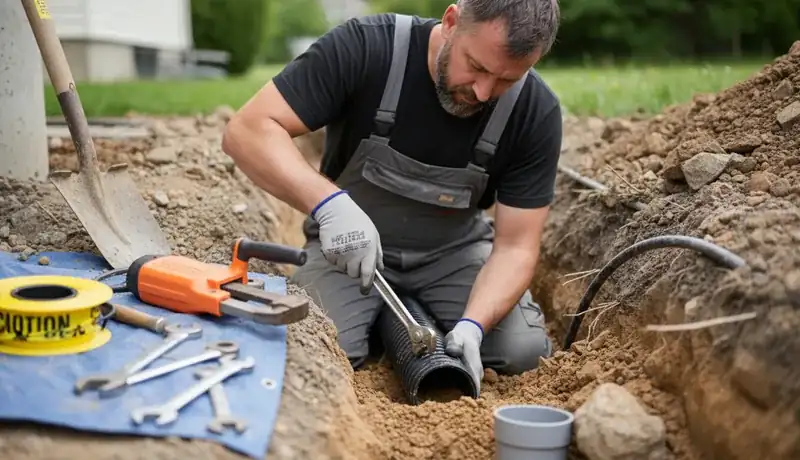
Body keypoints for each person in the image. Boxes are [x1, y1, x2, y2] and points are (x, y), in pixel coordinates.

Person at [221, 0, 562, 394]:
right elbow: (247, 130)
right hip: (347, 252)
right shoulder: (368, 48)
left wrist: (475, 324)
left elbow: (516, 247)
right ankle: (380, 318)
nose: (484, 93)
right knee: (311, 347)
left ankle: (412, 315)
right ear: (451, 22)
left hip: (453, 256)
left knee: (522, 351)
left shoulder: (535, 110)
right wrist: (329, 205)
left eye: (506, 80)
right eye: (477, 67)